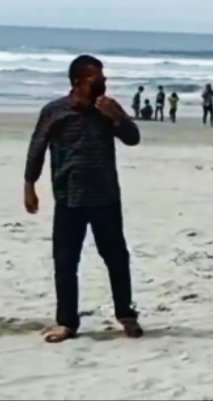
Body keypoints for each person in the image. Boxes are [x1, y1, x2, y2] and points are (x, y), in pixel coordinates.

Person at [23, 54, 143, 343]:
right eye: (96, 78)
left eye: (103, 77)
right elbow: (37, 147)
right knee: (65, 262)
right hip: (69, 198)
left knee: (116, 258)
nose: (103, 82)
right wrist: (30, 185)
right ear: (78, 82)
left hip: (105, 197)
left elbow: (133, 138)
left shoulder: (108, 110)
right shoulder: (54, 111)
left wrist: (117, 117)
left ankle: (126, 315)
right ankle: (67, 322)